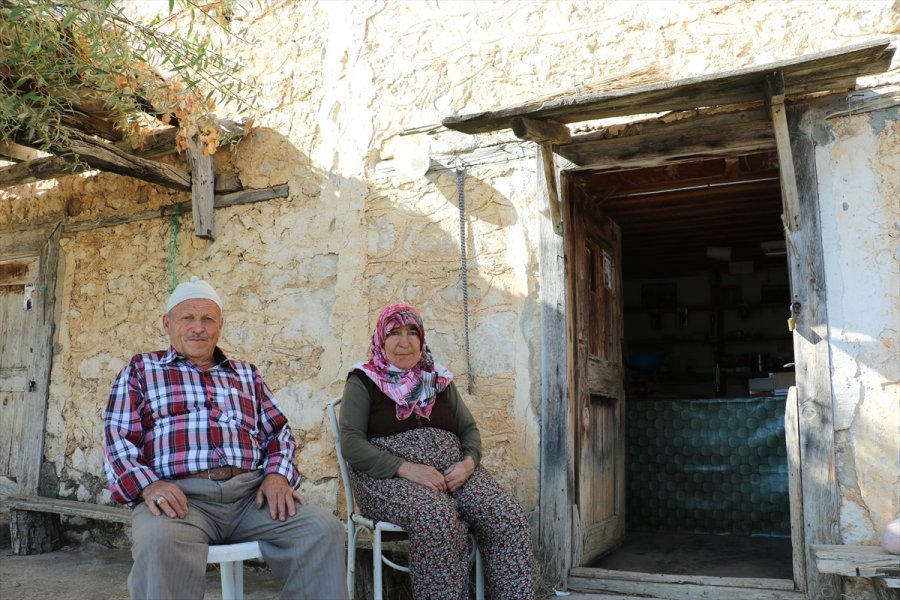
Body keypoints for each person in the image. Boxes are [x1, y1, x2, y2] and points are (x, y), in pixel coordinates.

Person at [103, 276, 348, 600]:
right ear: (167, 324)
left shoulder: (246, 374)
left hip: (250, 496)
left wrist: (277, 476)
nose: (198, 328)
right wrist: (150, 486)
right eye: (187, 318)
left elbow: (278, 432)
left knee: (322, 531)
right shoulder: (141, 369)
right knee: (158, 541)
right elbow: (117, 437)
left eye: (207, 319)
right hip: (181, 498)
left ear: (219, 325)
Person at [340, 303, 535, 599]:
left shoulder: (438, 379)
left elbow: (468, 430)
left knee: (503, 513)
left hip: (452, 473)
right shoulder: (363, 380)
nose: (404, 342)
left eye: (412, 333)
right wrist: (407, 468)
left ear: (422, 338)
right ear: (381, 338)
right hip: (389, 478)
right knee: (437, 517)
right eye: (394, 333)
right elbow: (351, 444)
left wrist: (468, 464)